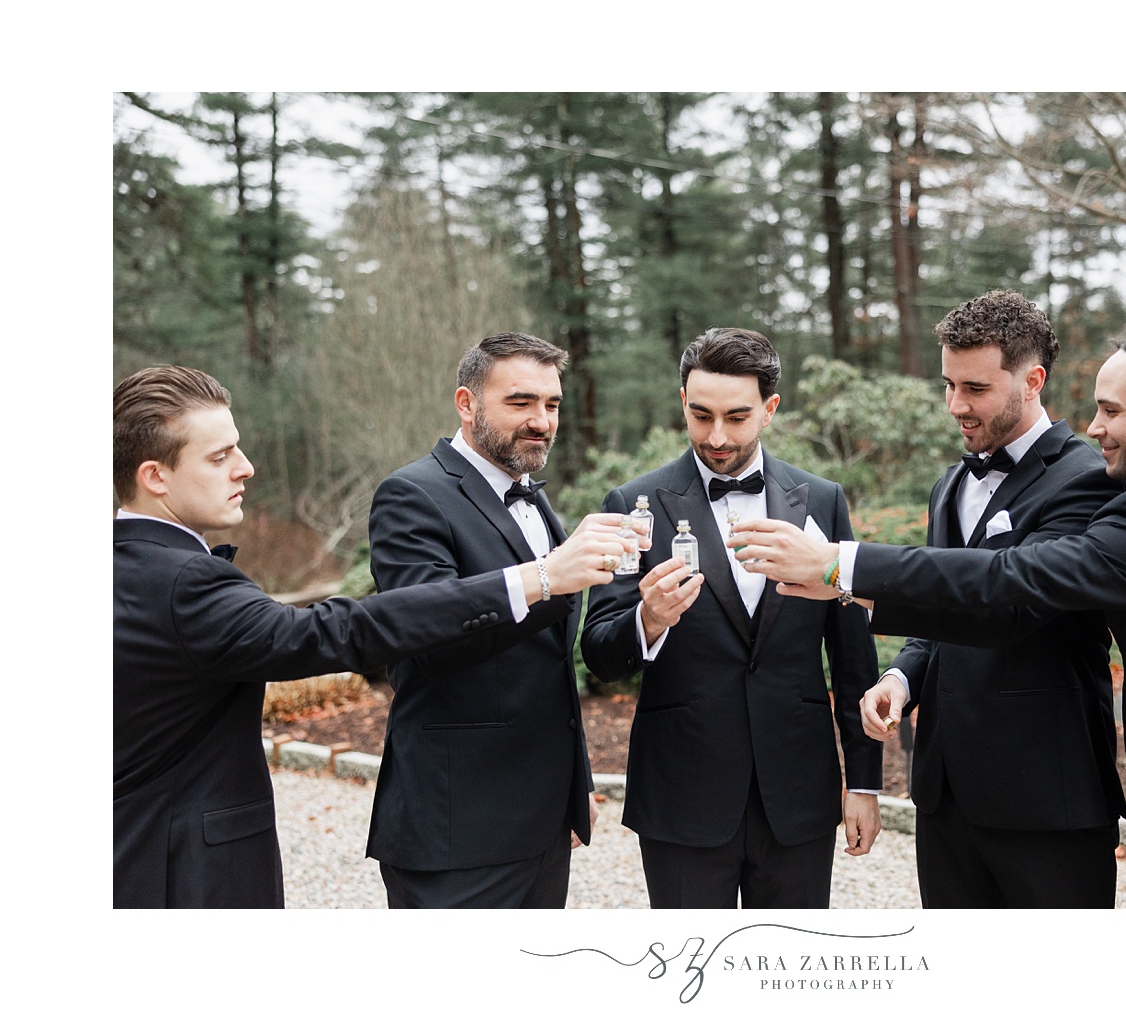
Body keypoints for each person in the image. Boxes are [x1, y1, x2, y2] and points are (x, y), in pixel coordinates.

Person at [732, 314, 1126, 908]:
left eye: (1112, 410)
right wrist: (893, 653)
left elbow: (1012, 579)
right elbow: (973, 592)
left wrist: (841, 565)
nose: (1095, 427)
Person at [113, 365, 630, 909]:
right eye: (219, 457)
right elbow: (334, 631)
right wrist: (540, 576)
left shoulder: (128, 567)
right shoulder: (181, 581)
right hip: (182, 876)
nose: (246, 468)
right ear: (155, 477)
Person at [580, 326, 883, 908]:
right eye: (701, 415)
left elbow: (853, 656)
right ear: (683, 404)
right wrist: (648, 620)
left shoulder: (821, 501)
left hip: (797, 792)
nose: (717, 436)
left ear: (769, 409)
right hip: (681, 794)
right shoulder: (633, 504)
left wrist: (864, 781)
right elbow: (598, 651)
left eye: (737, 417)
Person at [864, 291, 1126, 907]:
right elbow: (941, 616)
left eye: (976, 389)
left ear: (1032, 380)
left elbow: (1012, 608)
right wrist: (901, 680)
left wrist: (849, 577)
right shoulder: (949, 484)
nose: (957, 405)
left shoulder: (1087, 481)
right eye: (949, 385)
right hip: (945, 795)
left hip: (1047, 800)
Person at [364, 332, 631, 908]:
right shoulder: (411, 494)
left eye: (552, 404)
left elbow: (551, 664)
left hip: (541, 819)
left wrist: (574, 779)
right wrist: (549, 576)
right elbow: (425, 637)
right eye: (521, 402)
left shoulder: (532, 498)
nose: (542, 421)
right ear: (467, 403)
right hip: (456, 823)